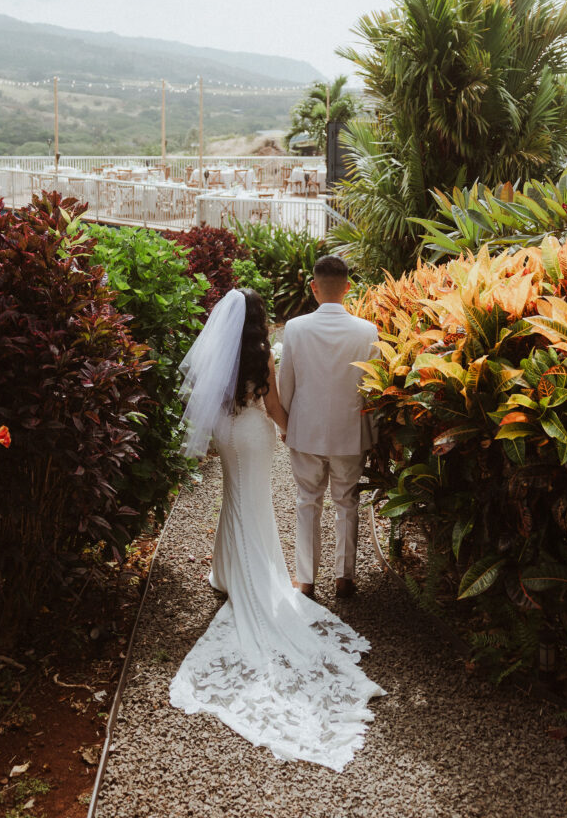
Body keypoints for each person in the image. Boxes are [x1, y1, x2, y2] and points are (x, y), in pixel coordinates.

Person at [170, 287, 384, 771]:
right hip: (252, 434)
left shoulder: (222, 352)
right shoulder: (262, 354)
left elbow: (205, 395)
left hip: (226, 433)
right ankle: (248, 578)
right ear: (259, 318)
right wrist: (291, 432)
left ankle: (224, 574)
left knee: (234, 501)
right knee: (254, 504)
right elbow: (272, 408)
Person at [278, 255, 379, 600]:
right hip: (351, 432)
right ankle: (344, 578)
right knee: (347, 502)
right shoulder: (368, 331)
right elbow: (373, 387)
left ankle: (306, 579)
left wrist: (287, 424)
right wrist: (374, 433)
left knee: (308, 500)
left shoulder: (295, 328)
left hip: (305, 429)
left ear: (314, 288)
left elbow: (285, 384)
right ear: (348, 288)